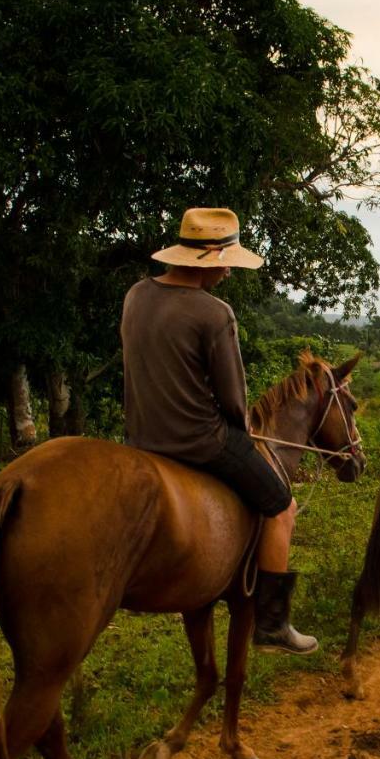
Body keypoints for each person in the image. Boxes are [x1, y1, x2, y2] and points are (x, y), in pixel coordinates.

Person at [120, 207, 316, 654]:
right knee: (281, 507)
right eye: (226, 260)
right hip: (200, 441)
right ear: (208, 257)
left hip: (141, 438)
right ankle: (272, 623)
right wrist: (243, 431)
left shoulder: (136, 294)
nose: (229, 270)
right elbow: (232, 398)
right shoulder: (214, 313)